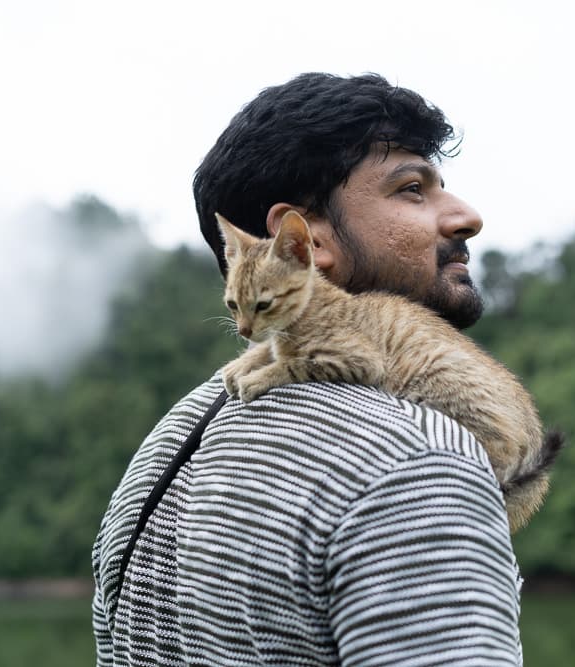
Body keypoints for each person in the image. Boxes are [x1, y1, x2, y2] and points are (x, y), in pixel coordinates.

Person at [92, 73, 522, 666]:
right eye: (411, 189)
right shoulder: (413, 456)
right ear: (303, 245)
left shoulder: (166, 446)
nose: (466, 216)